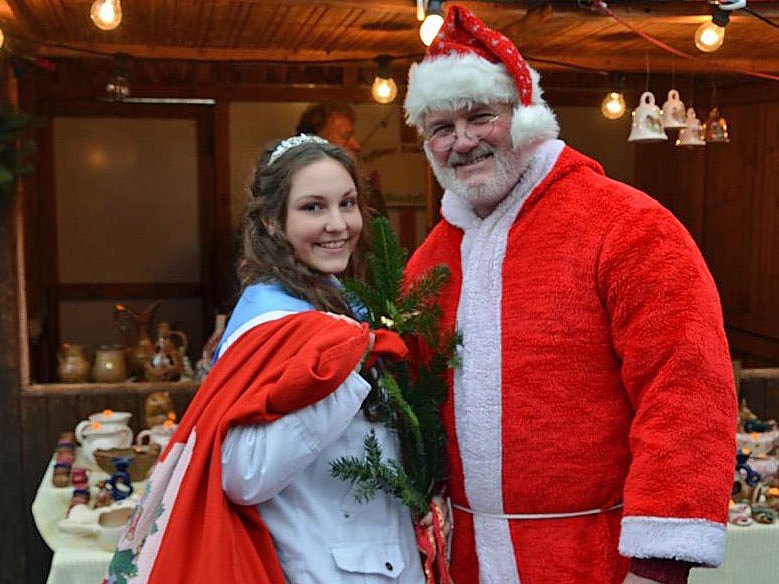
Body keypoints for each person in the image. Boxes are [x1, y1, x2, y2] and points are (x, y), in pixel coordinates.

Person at [401, 6, 737, 584]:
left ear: (525, 114)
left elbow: (686, 391)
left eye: (481, 116)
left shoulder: (628, 226)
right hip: (466, 561)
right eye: (440, 128)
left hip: (598, 560)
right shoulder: (428, 262)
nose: (462, 141)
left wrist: (659, 563)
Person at [105, 135, 424, 584]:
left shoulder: (350, 308)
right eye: (313, 207)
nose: (338, 224)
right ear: (274, 222)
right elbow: (243, 472)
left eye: (347, 203)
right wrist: (339, 371)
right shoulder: (273, 325)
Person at [297, 101, 388, 216]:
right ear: (317, 141)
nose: (357, 145)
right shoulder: (291, 191)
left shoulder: (368, 195)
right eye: (346, 137)